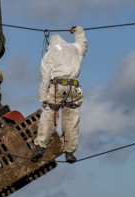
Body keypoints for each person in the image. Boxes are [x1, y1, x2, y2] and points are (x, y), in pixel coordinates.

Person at [32, 26, 88, 163]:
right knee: (72, 120)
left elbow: (44, 78)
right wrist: (79, 30)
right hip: (74, 89)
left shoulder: (49, 54)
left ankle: (40, 146)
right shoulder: (74, 48)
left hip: (58, 87)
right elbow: (83, 44)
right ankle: (69, 152)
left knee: (49, 116)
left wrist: (43, 97)